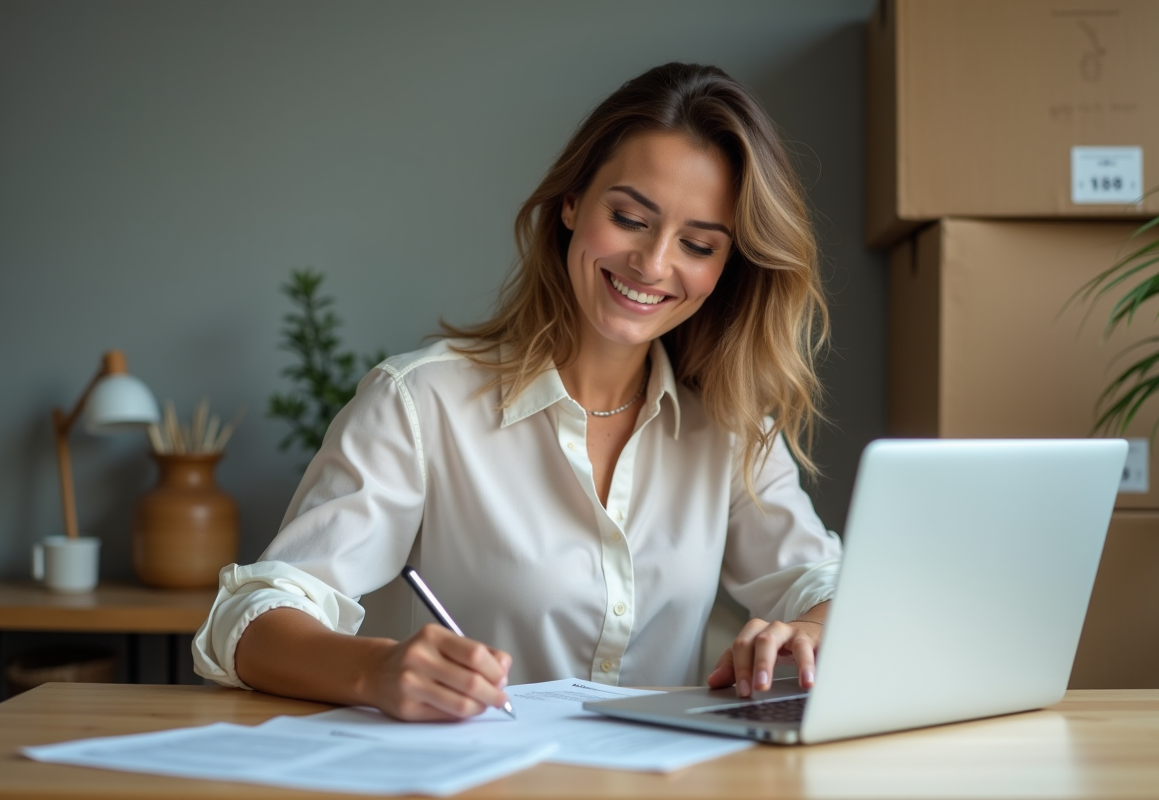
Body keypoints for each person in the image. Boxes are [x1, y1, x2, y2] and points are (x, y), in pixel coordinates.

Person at [193, 62, 842, 722]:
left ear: (724, 269)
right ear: (570, 203)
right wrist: (375, 669)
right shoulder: (421, 403)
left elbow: (829, 585)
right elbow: (249, 616)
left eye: (698, 244)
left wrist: (814, 631)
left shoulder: (731, 429)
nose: (651, 265)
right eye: (628, 217)